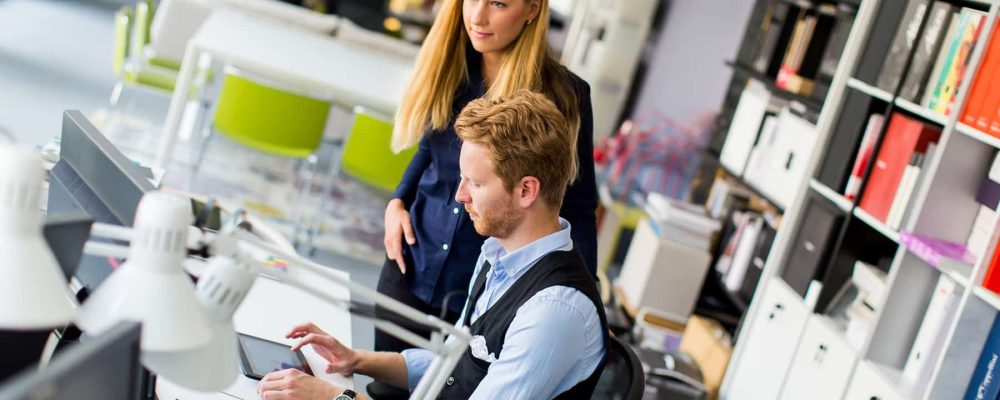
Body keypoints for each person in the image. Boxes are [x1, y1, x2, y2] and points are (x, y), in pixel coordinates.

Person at [258, 91, 608, 400]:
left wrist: (334, 398)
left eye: (475, 183)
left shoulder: (554, 312)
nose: (460, 195)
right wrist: (357, 359)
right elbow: (459, 365)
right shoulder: (499, 256)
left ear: (526, 191)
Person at [377, 0, 598, 353]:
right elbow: (428, 149)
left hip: (483, 301)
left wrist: (586, 296)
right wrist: (397, 201)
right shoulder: (448, 66)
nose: (477, 16)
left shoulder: (565, 96)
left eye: (497, 3)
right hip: (409, 267)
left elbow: (579, 207)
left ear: (532, 9)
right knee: (381, 385)